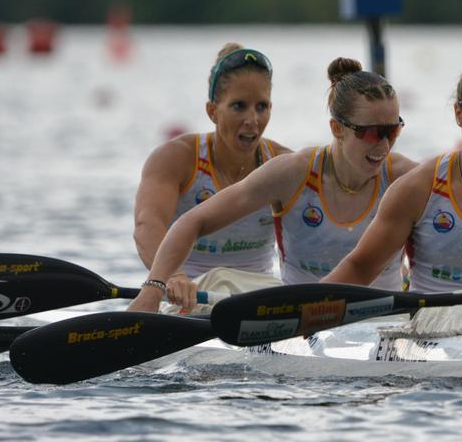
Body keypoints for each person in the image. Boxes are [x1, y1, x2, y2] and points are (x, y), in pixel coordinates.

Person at [128, 57, 416, 312]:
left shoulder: (408, 178)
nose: (384, 144)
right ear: (336, 128)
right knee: (222, 279)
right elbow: (189, 221)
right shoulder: (292, 173)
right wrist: (157, 284)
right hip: (296, 320)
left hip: (373, 319)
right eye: (371, 133)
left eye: (393, 131)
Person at [324, 46, 462, 291]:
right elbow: (359, 268)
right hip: (432, 326)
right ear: (459, 113)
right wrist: (304, 307)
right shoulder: (417, 189)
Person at [133, 43, 291, 297]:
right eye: (239, 106)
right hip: (189, 294)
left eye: (261, 107)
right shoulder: (176, 158)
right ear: (212, 111)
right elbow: (146, 224)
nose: (252, 120)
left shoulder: (283, 166)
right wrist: (172, 276)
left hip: (258, 298)